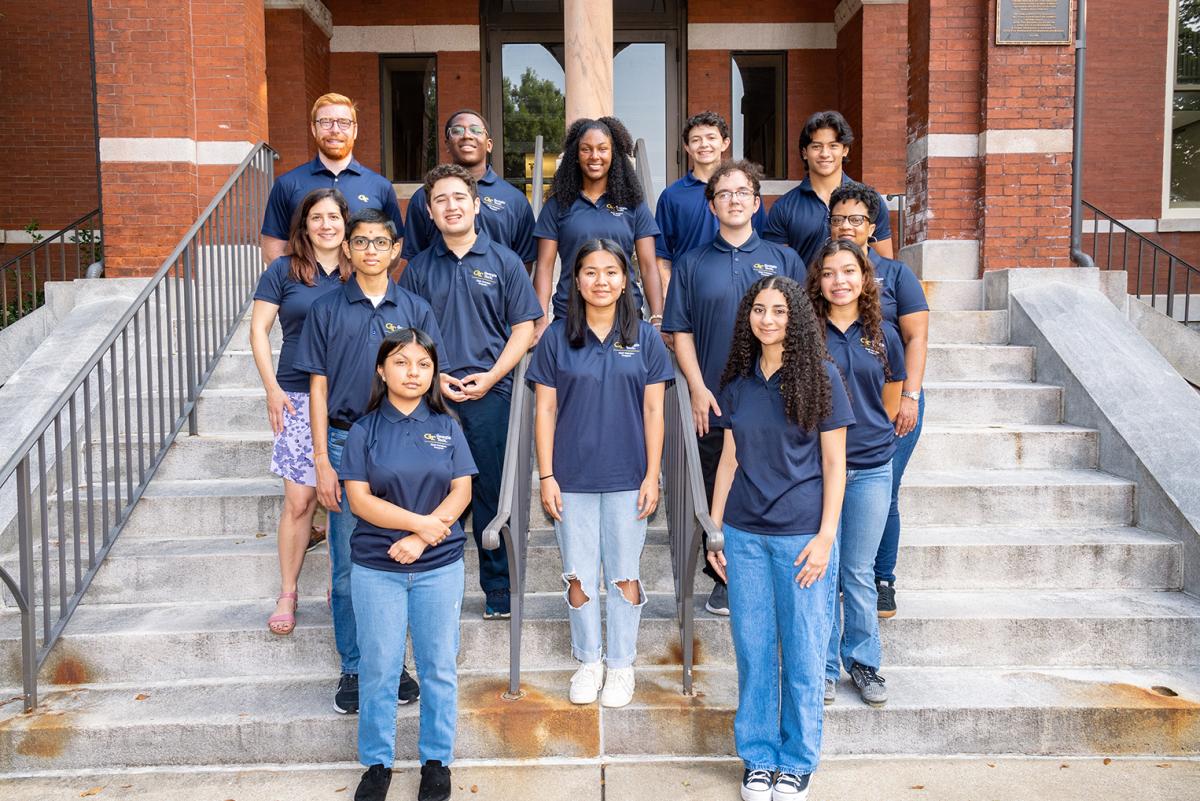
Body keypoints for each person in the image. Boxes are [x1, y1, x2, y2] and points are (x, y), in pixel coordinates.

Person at [706, 275, 853, 801]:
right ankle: (759, 758)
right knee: (754, 650)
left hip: (800, 538)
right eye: (759, 310)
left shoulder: (822, 378)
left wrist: (826, 537)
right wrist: (715, 530)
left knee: (805, 652)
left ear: (797, 318)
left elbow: (836, 465)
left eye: (780, 311)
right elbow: (730, 459)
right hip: (745, 535)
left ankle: (796, 761)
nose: (768, 319)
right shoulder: (739, 384)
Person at [295, 208, 443, 715]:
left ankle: (395, 663)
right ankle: (355, 666)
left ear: (396, 249)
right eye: (361, 243)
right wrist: (320, 459)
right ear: (348, 249)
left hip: (405, 446)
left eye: (381, 243)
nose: (371, 251)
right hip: (344, 443)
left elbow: (427, 380)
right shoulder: (327, 309)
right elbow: (316, 388)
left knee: (403, 557)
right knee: (348, 566)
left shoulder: (417, 308)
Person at [527, 239, 672, 709]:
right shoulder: (555, 338)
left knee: (626, 575)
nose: (601, 281)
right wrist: (547, 476)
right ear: (576, 280)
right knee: (579, 575)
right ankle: (589, 660)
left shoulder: (645, 339)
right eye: (590, 272)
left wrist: (652, 475)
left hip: (630, 475)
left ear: (626, 280)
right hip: (571, 477)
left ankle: (622, 663)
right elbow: (544, 410)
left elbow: (655, 410)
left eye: (611, 272)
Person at [400, 164, 542, 619]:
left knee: (490, 491)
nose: (451, 206)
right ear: (429, 210)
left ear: (476, 204)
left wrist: (495, 376)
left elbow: (524, 328)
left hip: (491, 393)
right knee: (430, 490)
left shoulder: (504, 262)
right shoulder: (417, 270)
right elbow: (407, 335)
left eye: (459, 197)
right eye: (440, 199)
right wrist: (433, 377)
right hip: (432, 397)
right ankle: (432, 584)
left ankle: (497, 588)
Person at [661, 160, 804, 616]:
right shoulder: (692, 262)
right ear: (712, 205)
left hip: (773, 401)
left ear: (757, 202)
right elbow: (679, 330)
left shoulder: (783, 260)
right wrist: (698, 388)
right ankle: (721, 576)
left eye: (743, 192)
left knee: (767, 481)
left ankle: (773, 568)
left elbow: (801, 327)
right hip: (714, 402)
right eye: (724, 193)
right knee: (713, 488)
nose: (734, 199)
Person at [341, 328, 475, 801]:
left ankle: (436, 760)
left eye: (422, 364)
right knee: (379, 666)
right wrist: (420, 523)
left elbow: (462, 491)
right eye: (401, 362)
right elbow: (359, 500)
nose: (413, 372)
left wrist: (420, 538)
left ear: (434, 372)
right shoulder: (363, 431)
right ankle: (377, 764)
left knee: (439, 665)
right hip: (377, 567)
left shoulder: (448, 425)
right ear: (382, 370)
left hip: (439, 565)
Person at [806, 240, 906, 709]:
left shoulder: (883, 333)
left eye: (849, 271)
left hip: (869, 467)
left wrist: (868, 436)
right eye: (829, 272)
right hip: (819, 470)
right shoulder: (806, 333)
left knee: (859, 571)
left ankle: (863, 662)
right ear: (818, 281)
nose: (839, 281)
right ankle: (823, 668)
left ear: (864, 279)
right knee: (822, 570)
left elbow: (890, 399)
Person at [250, 188, 351, 636]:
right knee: (300, 500)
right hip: (295, 393)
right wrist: (271, 389)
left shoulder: (359, 270)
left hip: (349, 397)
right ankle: (288, 592)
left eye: (334, 216)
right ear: (304, 225)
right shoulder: (283, 270)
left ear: (345, 223)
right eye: (317, 218)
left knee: (345, 499)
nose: (326, 224)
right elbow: (258, 330)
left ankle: (339, 586)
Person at [826, 182, 929, 618]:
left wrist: (910, 396)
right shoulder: (824, 275)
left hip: (890, 401)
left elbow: (916, 336)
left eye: (856, 219)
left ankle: (881, 579)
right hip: (834, 414)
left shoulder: (898, 275)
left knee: (883, 493)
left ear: (872, 227)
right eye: (838, 219)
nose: (847, 227)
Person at [532, 116, 663, 337]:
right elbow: (544, 267)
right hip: (570, 319)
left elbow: (649, 266)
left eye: (603, 149)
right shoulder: (557, 205)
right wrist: (542, 319)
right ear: (576, 155)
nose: (595, 156)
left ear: (614, 154)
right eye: (586, 149)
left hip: (625, 317)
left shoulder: (633, 205)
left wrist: (657, 317)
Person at [261, 92, 403, 264]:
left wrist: (372, 282)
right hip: (308, 288)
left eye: (344, 123)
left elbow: (395, 244)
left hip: (361, 289)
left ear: (355, 130)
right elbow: (272, 250)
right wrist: (296, 287)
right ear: (314, 129)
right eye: (326, 122)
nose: (335, 130)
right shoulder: (287, 184)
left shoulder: (380, 186)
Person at [399, 109, 536, 272]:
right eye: (457, 130)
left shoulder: (515, 200)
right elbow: (416, 260)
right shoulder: (424, 197)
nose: (467, 135)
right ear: (447, 145)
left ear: (489, 145)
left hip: (496, 295)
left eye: (476, 130)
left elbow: (524, 263)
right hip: (436, 295)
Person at [762, 110, 893, 265]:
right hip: (803, 289)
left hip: (857, 289)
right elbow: (776, 268)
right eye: (816, 146)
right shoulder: (783, 207)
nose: (825, 154)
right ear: (804, 152)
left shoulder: (871, 201)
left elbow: (885, 266)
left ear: (845, 150)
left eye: (833, 146)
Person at [654, 111, 765, 291]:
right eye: (696, 140)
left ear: (725, 143)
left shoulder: (745, 193)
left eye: (711, 137)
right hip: (690, 291)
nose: (704, 144)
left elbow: (761, 243)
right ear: (687, 148)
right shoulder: (672, 196)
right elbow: (661, 254)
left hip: (742, 290)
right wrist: (669, 295)